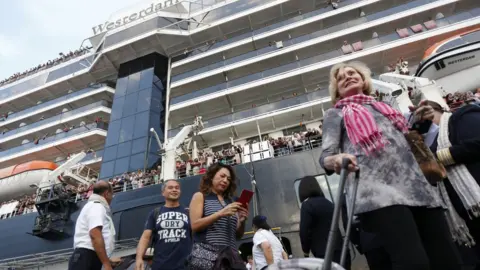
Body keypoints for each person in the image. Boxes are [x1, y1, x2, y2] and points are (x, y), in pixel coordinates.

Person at [319, 61, 462, 270]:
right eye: (340, 78)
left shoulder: (386, 107)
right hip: (378, 193)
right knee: (413, 262)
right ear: (336, 90)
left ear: (364, 79)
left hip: (416, 187)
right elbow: (326, 156)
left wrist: (419, 119)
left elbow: (405, 139)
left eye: (352, 73)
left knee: (447, 258)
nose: (347, 77)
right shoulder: (336, 113)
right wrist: (336, 160)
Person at [421, 100, 480, 269]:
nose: (423, 117)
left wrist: (438, 159)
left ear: (438, 109)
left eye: (426, 111)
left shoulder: (460, 118)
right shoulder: (425, 143)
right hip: (462, 212)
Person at [188, 163, 249, 269]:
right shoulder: (200, 196)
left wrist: (242, 221)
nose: (225, 181)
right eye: (222, 176)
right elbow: (194, 225)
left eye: (228, 179)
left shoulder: (230, 201)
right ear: (211, 176)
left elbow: (238, 235)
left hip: (230, 258)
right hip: (207, 257)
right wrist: (221, 213)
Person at [135, 179, 192, 270]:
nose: (174, 190)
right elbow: (145, 237)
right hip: (160, 266)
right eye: (170, 188)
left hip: (185, 266)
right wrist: (139, 258)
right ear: (163, 193)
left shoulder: (188, 212)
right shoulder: (155, 213)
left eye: (177, 188)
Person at [298, 176, 351, 270]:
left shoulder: (307, 205)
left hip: (324, 253)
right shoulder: (328, 203)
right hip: (341, 249)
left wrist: (305, 250)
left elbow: (304, 231)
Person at [69, 181, 116, 270]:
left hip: (87, 258)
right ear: (106, 193)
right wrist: (106, 264)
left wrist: (107, 260)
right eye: (111, 194)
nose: (112, 198)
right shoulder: (97, 206)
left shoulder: (91, 206)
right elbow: (95, 234)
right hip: (87, 258)